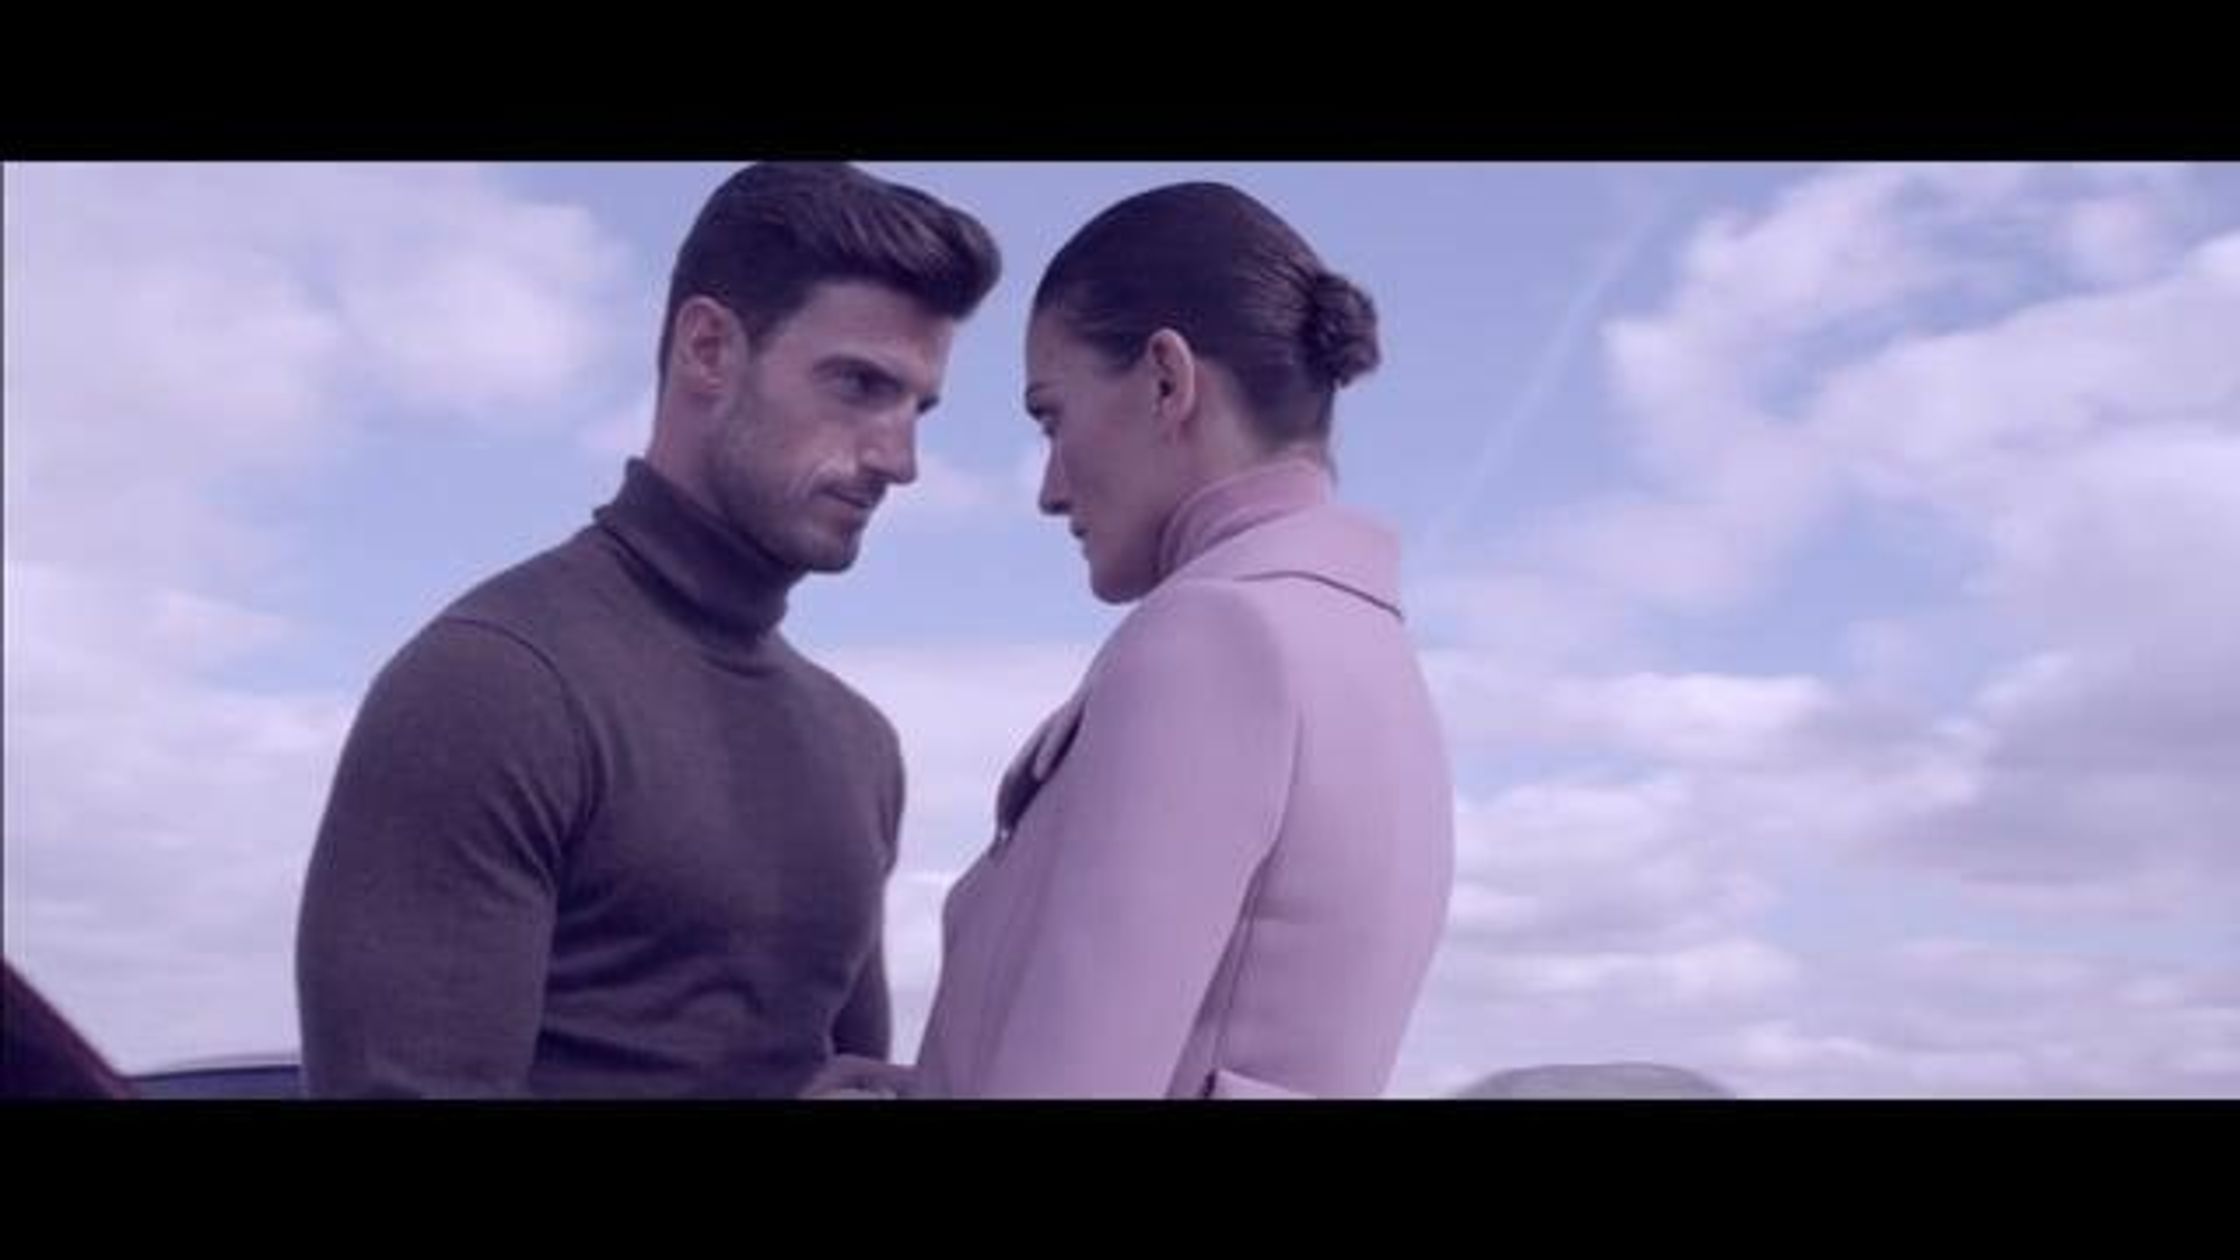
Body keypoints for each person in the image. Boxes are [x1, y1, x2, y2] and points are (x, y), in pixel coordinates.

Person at [296, 162, 1000, 1097]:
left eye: (918, 406)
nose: (900, 458)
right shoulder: (494, 686)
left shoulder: (859, 745)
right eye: (860, 384)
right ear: (709, 349)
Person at [820, 180, 1453, 1099]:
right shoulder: (1369, 656)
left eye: (1052, 417)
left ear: (1166, 381)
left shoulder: (1213, 642)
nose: (1050, 489)